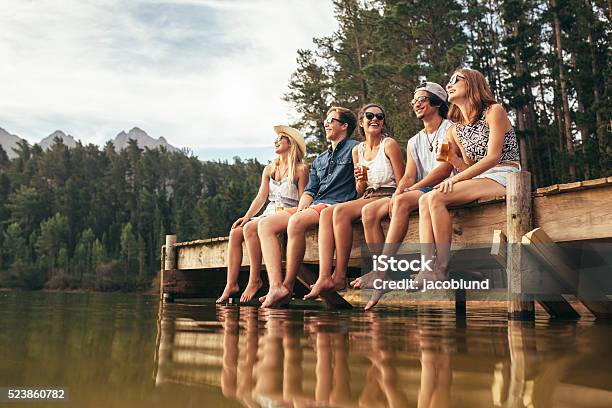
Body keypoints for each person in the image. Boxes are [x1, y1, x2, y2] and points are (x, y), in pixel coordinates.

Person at [350, 81, 454, 310]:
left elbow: (445, 168)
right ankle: (380, 271)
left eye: (421, 100)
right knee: (369, 211)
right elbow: (407, 176)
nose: (416, 104)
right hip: (423, 190)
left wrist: (412, 189)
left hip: (446, 187)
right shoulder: (415, 141)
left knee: (403, 200)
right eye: (414, 101)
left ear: (437, 102)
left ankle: (381, 271)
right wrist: (399, 192)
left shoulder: (449, 129)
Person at [417, 68, 520, 284]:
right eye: (448, 81)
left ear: (472, 83)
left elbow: (492, 158)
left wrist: (455, 179)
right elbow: (468, 168)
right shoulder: (455, 130)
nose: (449, 85)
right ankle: (427, 268)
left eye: (456, 80)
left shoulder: (494, 111)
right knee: (425, 198)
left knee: (435, 197)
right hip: (480, 179)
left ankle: (442, 268)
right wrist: (451, 159)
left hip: (504, 174)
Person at [257, 107, 359, 308]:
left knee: (296, 222)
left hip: (337, 204)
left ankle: (288, 285)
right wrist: (303, 207)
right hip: (315, 204)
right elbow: (310, 191)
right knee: (265, 225)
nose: (326, 124)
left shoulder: (355, 149)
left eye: (331, 120)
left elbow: (360, 184)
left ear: (344, 126)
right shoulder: (320, 158)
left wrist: (303, 213)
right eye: (325, 121)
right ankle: (275, 286)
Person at [304, 103, 404, 300]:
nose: (374, 119)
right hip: (368, 196)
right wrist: (361, 180)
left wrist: (397, 200)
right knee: (331, 212)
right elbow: (360, 190)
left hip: (389, 193)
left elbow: (402, 180)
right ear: (361, 122)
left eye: (379, 116)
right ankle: (335, 276)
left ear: (383, 123)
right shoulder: (358, 150)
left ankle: (380, 272)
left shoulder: (389, 144)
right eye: (369, 116)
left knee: (367, 213)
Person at [216, 125, 308, 303]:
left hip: (291, 211)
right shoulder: (269, 168)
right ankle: (231, 284)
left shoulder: (300, 169)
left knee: (250, 228)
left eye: (280, 138)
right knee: (236, 232)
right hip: (270, 211)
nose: (276, 141)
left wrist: (301, 215)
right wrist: (247, 215)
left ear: (291, 143)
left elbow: (305, 196)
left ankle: (254, 280)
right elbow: (261, 197)